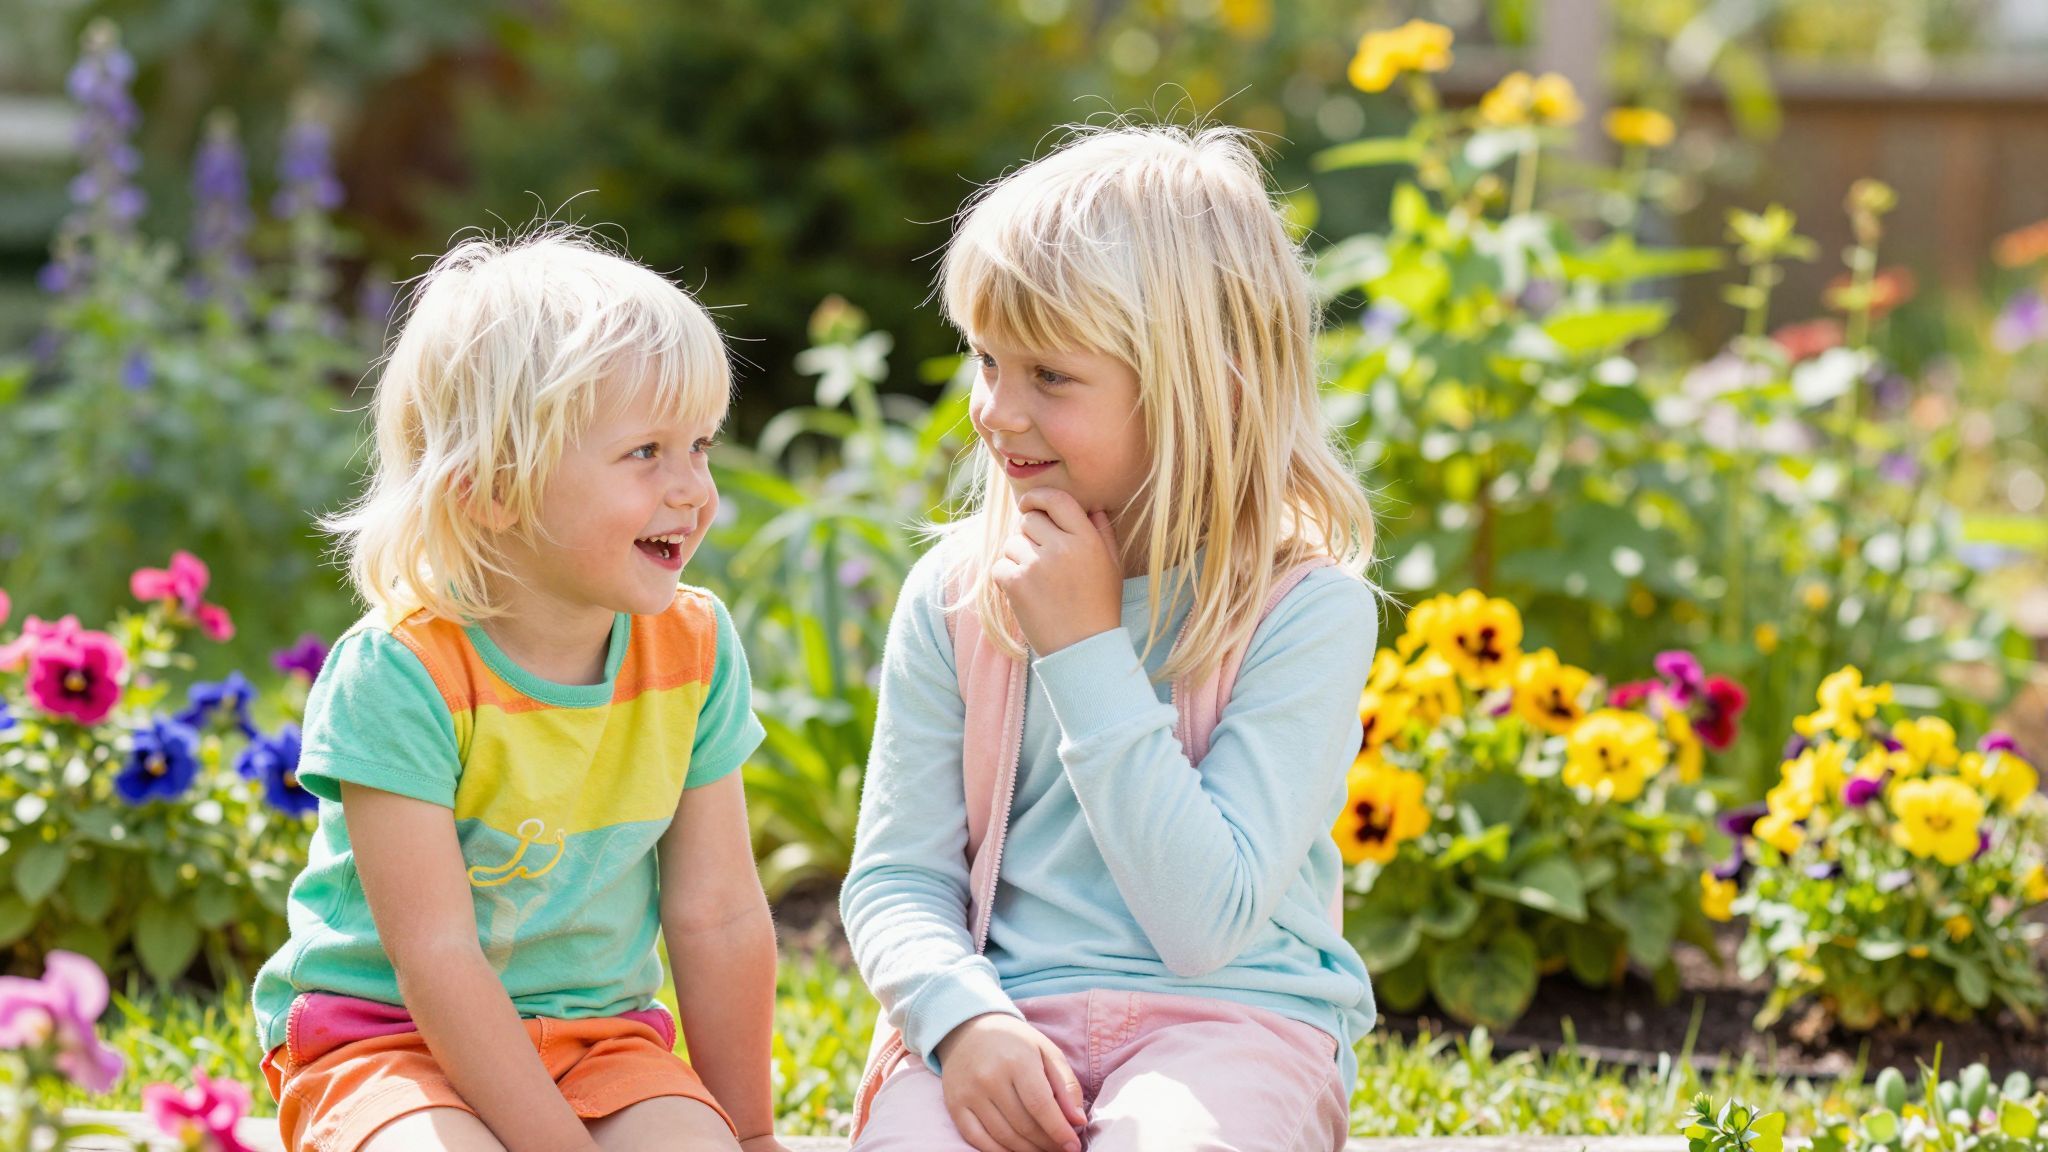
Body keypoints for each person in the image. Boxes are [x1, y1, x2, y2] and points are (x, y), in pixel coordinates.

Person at [842, 124, 1381, 1152]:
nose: (995, 412)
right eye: (986, 361)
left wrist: (1084, 648)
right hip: (995, 1025)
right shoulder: (955, 594)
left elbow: (1202, 922)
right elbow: (897, 879)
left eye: (1049, 375)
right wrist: (964, 1023)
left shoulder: (1303, 612)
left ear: (1202, 388)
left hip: (1234, 1025)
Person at [250, 229, 787, 1152]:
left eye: (699, 445)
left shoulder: (692, 647)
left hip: (601, 1038)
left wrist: (751, 1135)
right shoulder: (402, 673)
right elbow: (437, 960)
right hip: (388, 1043)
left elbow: (719, 912)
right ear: (494, 489)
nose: (693, 489)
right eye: (645, 452)